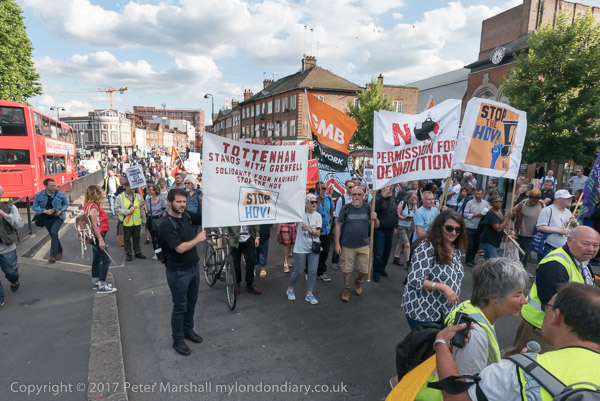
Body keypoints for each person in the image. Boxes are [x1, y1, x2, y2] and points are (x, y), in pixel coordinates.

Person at [434, 283, 600, 401]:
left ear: (557, 316)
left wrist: (441, 342)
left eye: (548, 307)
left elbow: (457, 397)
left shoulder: (516, 371)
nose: (525, 300)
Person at [505, 225, 599, 356]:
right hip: (540, 328)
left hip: (561, 328)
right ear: (569, 241)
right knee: (527, 363)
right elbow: (554, 302)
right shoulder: (555, 264)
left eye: (596, 245)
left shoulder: (582, 259)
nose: (591, 249)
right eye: (586, 244)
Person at [158, 188, 205, 356]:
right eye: (178, 202)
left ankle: (188, 330)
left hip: (193, 267)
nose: (182, 205)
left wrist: (202, 203)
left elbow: (203, 218)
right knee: (180, 307)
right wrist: (198, 239)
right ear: (169, 202)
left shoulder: (186, 216)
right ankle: (177, 339)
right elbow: (179, 248)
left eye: (184, 201)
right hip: (178, 272)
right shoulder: (166, 224)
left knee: (191, 303)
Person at [401, 210, 466, 329]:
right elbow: (415, 280)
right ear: (439, 227)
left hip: (445, 310)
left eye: (458, 229)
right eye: (449, 228)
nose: (453, 232)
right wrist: (444, 287)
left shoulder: (455, 248)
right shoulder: (427, 247)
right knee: (426, 341)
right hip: (423, 311)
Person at [335, 186, 379, 302]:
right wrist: (337, 244)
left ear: (363, 196)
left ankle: (358, 280)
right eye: (354, 194)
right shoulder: (346, 208)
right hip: (348, 245)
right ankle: (347, 288)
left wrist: (375, 219)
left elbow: (376, 226)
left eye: (359, 194)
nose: (356, 197)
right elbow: (338, 225)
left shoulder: (368, 207)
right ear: (351, 196)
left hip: (364, 245)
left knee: (365, 270)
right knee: (347, 270)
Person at [286, 194, 322, 305]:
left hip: (313, 247)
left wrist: (308, 228)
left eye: (316, 202)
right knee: (298, 271)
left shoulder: (318, 216)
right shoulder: (300, 215)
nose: (314, 204)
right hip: (300, 248)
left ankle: (309, 294)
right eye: (312, 202)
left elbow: (318, 233)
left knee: (312, 271)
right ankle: (290, 289)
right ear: (306, 203)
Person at [84, 185, 115, 293]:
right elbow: (94, 225)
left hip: (95, 237)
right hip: (98, 236)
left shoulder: (89, 205)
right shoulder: (93, 206)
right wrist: (101, 240)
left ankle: (96, 281)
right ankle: (101, 284)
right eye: (100, 191)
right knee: (106, 260)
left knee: (97, 259)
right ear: (96, 193)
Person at [33, 178, 69, 263]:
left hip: (58, 217)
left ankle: (53, 255)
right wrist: (44, 211)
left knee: (53, 232)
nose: (53, 187)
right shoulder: (39, 195)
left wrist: (61, 210)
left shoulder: (60, 194)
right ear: (45, 186)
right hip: (45, 217)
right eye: (51, 186)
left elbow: (66, 204)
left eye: (54, 185)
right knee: (53, 234)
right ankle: (59, 251)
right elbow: (34, 207)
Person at [535, 189, 578, 259]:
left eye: (570, 198)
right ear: (558, 199)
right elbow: (540, 227)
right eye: (567, 198)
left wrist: (575, 224)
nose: (570, 200)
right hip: (549, 248)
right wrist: (560, 231)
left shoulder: (568, 212)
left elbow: (575, 229)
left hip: (563, 249)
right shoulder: (547, 210)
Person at [0, 186, 23, 307]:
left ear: (1, 194)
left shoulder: (9, 207)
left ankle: (14, 280)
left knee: (11, 272)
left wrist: (3, 214)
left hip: (6, 247)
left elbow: (19, 224)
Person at [115, 182, 147, 261]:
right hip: (126, 222)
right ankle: (128, 253)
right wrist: (127, 212)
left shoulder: (138, 196)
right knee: (127, 239)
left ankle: (137, 251)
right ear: (126, 187)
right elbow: (116, 209)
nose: (133, 188)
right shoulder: (120, 197)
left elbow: (141, 209)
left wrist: (144, 219)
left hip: (137, 222)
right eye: (131, 186)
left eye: (134, 186)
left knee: (137, 238)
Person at [226, 225, 262, 295]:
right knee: (235, 264)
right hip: (234, 239)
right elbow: (224, 221)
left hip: (248, 238)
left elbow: (255, 223)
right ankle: (237, 284)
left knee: (251, 261)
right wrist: (226, 232)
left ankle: (249, 284)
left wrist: (257, 236)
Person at [513, 189, 544, 267]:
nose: (533, 203)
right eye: (532, 200)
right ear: (529, 198)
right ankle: (519, 267)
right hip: (523, 233)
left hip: (535, 234)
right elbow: (513, 218)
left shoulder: (542, 205)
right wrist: (513, 211)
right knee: (523, 252)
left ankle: (522, 268)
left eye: (535, 201)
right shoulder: (522, 205)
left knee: (527, 252)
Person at [479, 195, 517, 260]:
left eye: (500, 201)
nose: (499, 203)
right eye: (496, 202)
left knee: (490, 261)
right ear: (491, 203)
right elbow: (498, 228)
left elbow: (502, 224)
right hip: (489, 241)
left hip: (495, 241)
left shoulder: (500, 211)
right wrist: (507, 217)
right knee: (494, 261)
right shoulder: (490, 214)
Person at [372, 185, 397, 282]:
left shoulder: (392, 200)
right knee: (379, 252)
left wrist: (395, 226)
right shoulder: (377, 198)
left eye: (388, 187)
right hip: (380, 229)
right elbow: (375, 209)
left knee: (387, 252)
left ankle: (382, 268)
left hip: (389, 230)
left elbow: (395, 214)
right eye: (385, 187)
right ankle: (376, 272)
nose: (387, 189)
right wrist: (383, 197)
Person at [331, 179, 354, 269]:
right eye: (350, 187)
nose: (352, 189)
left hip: (352, 225)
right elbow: (337, 214)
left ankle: (347, 261)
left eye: (353, 187)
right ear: (346, 187)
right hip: (343, 224)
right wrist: (338, 228)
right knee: (339, 243)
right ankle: (335, 261)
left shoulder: (356, 198)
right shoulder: (342, 199)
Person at [463, 189, 489, 267]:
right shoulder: (470, 203)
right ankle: (468, 260)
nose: (478, 195)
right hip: (471, 226)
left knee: (476, 244)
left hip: (480, 227)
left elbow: (490, 212)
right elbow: (465, 214)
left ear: (483, 195)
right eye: (476, 194)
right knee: (470, 244)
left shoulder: (486, 203)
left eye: (479, 194)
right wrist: (475, 215)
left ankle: (472, 259)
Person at [315, 181, 334, 282]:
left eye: (324, 188)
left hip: (326, 230)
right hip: (315, 231)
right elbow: (312, 211)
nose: (322, 190)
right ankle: (309, 271)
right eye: (320, 189)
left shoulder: (328, 197)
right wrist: (318, 200)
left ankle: (321, 272)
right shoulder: (312, 198)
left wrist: (331, 222)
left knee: (325, 251)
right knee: (313, 251)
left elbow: (331, 210)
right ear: (316, 189)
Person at [394, 190, 417, 266]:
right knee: (407, 244)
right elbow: (398, 214)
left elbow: (417, 214)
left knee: (401, 242)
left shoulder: (414, 205)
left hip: (409, 226)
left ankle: (396, 257)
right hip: (401, 226)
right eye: (412, 198)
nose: (413, 200)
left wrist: (415, 205)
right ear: (408, 197)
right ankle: (408, 262)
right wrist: (405, 219)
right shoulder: (402, 203)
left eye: (415, 198)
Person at [145, 184, 167, 260]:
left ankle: (162, 251)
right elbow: (147, 211)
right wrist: (144, 205)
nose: (149, 191)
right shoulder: (148, 199)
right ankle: (156, 252)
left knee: (160, 237)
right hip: (151, 220)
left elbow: (165, 209)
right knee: (153, 238)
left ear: (155, 191)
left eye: (150, 189)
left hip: (159, 220)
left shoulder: (162, 199)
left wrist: (163, 219)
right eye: (148, 189)